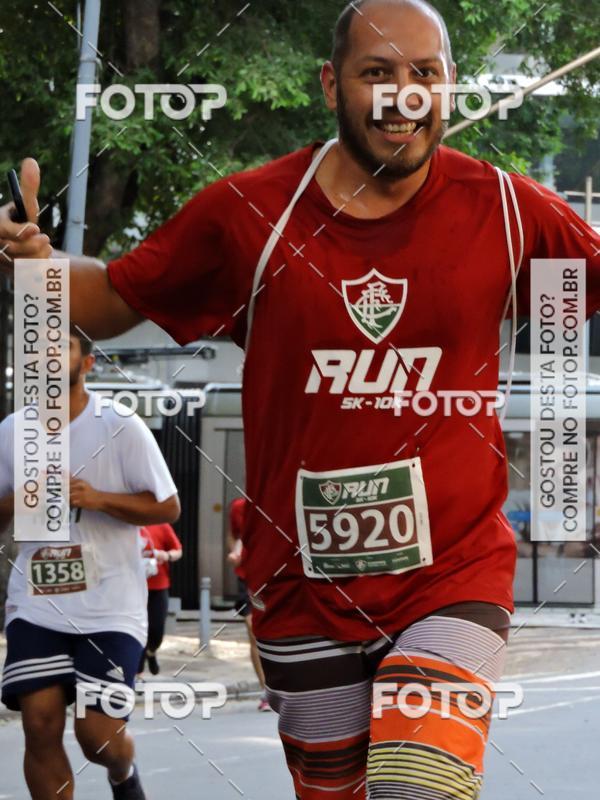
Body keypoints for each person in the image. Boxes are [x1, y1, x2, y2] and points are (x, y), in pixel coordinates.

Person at [2, 0, 600, 796]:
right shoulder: (252, 214)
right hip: (301, 590)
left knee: (414, 784)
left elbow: (578, 290)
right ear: (330, 84)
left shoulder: (509, 209)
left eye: (425, 73)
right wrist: (33, 263)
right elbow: (113, 298)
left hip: (450, 574)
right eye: (377, 73)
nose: (404, 95)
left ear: (450, 85)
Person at [0, 330, 180, 800]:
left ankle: (123, 774)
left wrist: (97, 497)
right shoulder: (12, 431)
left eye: (62, 347)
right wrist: (20, 499)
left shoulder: (120, 425)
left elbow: (167, 508)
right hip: (37, 602)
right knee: (39, 724)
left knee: (97, 736)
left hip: (112, 605)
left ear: (88, 363)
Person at [226, 497, 270, 711]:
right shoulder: (238, 507)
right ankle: (266, 691)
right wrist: (235, 554)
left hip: (273, 578)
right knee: (254, 632)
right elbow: (233, 536)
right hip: (247, 579)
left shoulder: (275, 502)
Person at [138, 523, 183, 676]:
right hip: (134, 587)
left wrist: (167, 555)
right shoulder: (129, 524)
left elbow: (178, 550)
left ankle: (151, 652)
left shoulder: (162, 525)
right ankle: (138, 674)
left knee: (156, 631)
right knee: (138, 631)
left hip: (159, 586)